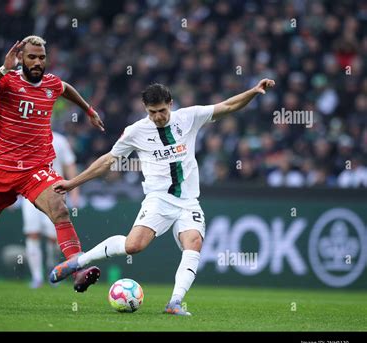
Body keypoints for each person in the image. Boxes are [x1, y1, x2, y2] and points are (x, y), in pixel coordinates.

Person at [50, 79, 276, 313]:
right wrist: (73, 183)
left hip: (188, 201)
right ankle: (78, 261)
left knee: (194, 243)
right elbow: (108, 160)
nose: (158, 116)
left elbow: (228, 106)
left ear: (171, 104)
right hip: (159, 199)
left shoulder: (189, 117)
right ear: (145, 109)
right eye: (152, 112)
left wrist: (254, 91)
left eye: (162, 111)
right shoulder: (136, 131)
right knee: (133, 246)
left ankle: (175, 302)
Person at [0, 35, 103, 292]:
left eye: (41, 57)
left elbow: (66, 88)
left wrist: (88, 110)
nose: (37, 62)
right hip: (2, 168)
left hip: (36, 169)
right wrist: (2, 69)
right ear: (21, 58)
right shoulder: (7, 80)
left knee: (59, 208)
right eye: (32, 57)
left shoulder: (51, 83)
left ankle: (76, 268)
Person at [22, 132, 79, 288]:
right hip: (29, 193)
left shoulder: (60, 140)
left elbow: (69, 165)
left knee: (53, 238)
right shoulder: (26, 138)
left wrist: (74, 192)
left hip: (55, 193)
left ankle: (52, 268)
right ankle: (37, 278)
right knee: (32, 234)